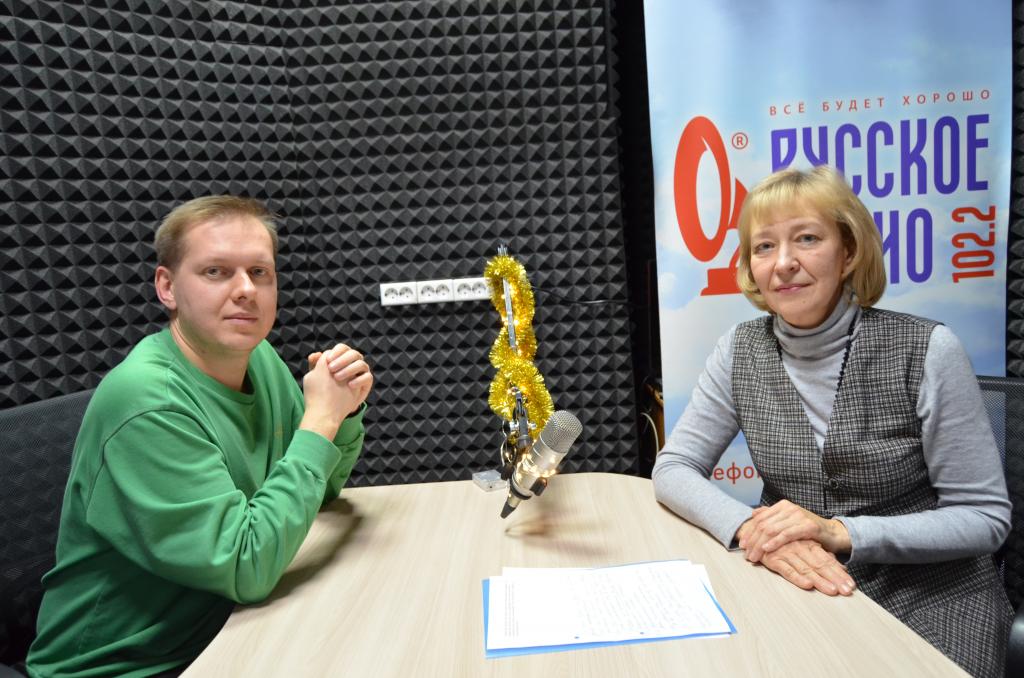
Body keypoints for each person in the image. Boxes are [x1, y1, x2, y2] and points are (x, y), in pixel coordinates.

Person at [652, 165, 1012, 677]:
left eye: (807, 238)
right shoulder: (739, 350)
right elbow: (673, 468)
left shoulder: (929, 349)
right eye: (764, 246)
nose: (784, 263)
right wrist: (749, 527)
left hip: (932, 590)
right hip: (796, 578)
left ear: (848, 252)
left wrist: (839, 531)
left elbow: (984, 518)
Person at [26, 196, 373, 677]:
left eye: (260, 272)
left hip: (228, 629)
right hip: (127, 666)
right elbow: (246, 568)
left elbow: (319, 490)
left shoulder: (260, 358)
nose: (245, 290)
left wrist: (342, 413)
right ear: (167, 287)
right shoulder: (148, 401)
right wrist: (320, 419)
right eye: (216, 272)